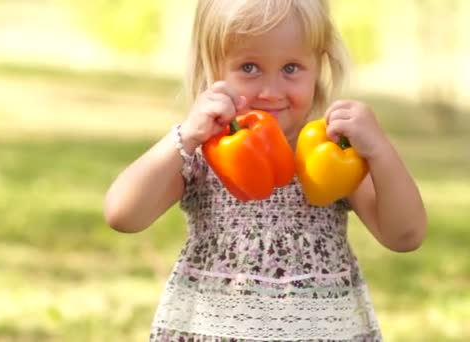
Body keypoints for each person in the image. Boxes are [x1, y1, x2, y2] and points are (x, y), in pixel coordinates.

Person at [103, 0, 427, 340]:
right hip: (217, 330)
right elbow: (123, 215)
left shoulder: (331, 154)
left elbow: (405, 236)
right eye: (249, 67)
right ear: (213, 68)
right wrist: (184, 138)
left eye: (291, 68)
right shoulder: (203, 153)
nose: (270, 92)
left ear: (319, 67)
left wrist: (380, 151)